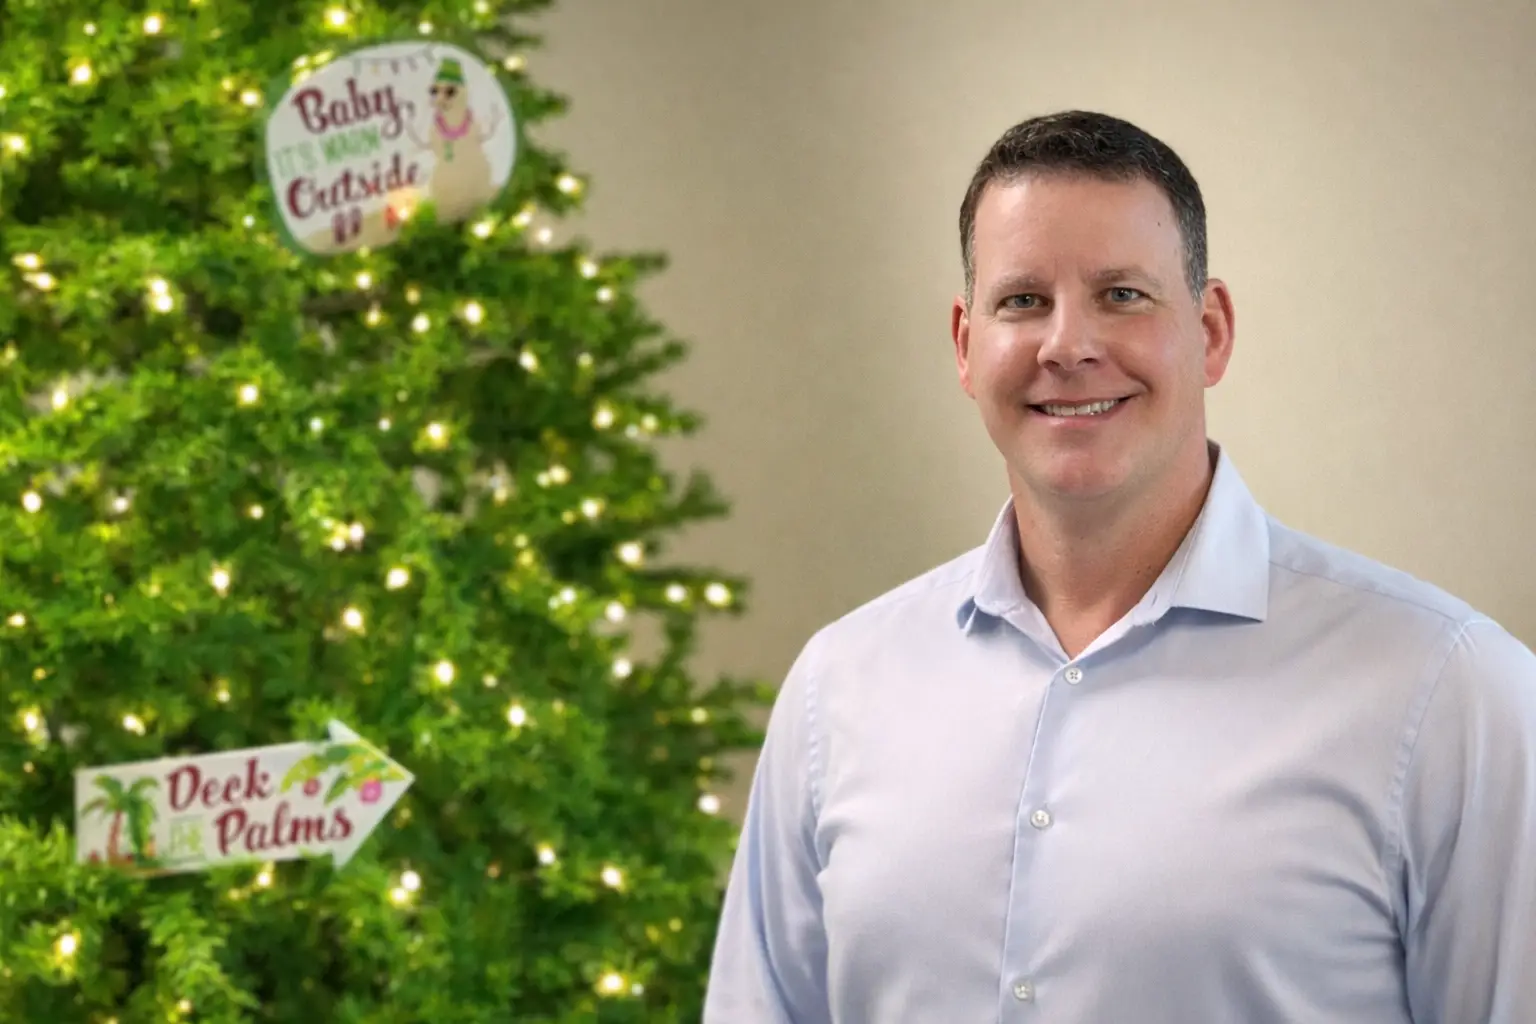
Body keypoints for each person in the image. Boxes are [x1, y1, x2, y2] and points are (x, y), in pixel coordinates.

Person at [701, 110, 1536, 1022]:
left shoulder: (1451, 693)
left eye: (1123, 295)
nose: (1069, 345)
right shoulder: (838, 688)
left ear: (1211, 330)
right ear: (964, 344)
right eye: (1022, 300)